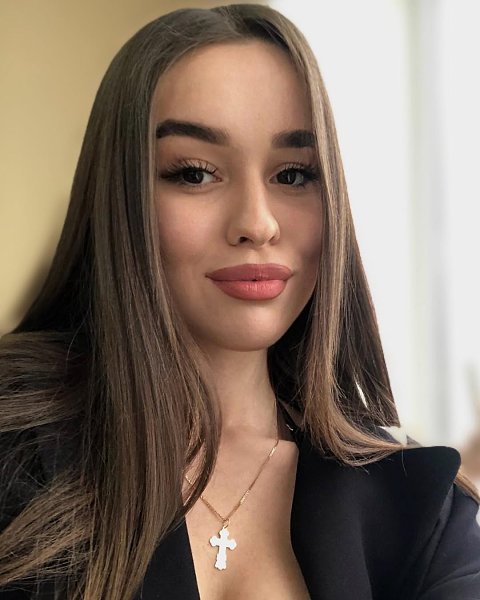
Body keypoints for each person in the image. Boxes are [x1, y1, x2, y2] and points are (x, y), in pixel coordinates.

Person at [0, 4, 479, 599]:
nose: (257, 223)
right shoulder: (16, 453)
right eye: (195, 173)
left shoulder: (420, 507)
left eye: (293, 175)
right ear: (120, 197)